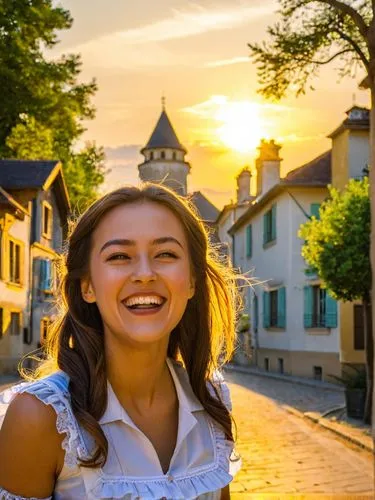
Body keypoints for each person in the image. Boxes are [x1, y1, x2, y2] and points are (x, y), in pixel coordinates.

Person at [0, 183, 241, 499]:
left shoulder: (212, 401)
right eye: (119, 256)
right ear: (87, 286)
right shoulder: (38, 419)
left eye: (166, 253)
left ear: (192, 281)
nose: (144, 273)